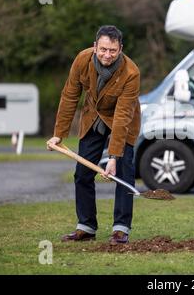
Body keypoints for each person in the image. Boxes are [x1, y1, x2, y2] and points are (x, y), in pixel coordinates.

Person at [46, 25, 141, 245]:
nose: (107, 55)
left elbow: (122, 116)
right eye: (103, 49)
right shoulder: (82, 60)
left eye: (113, 50)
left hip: (123, 121)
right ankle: (86, 227)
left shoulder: (131, 72)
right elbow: (70, 96)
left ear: (120, 49)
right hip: (93, 117)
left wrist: (114, 157)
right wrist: (59, 134)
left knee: (123, 174)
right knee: (82, 174)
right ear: (95, 46)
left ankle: (120, 229)